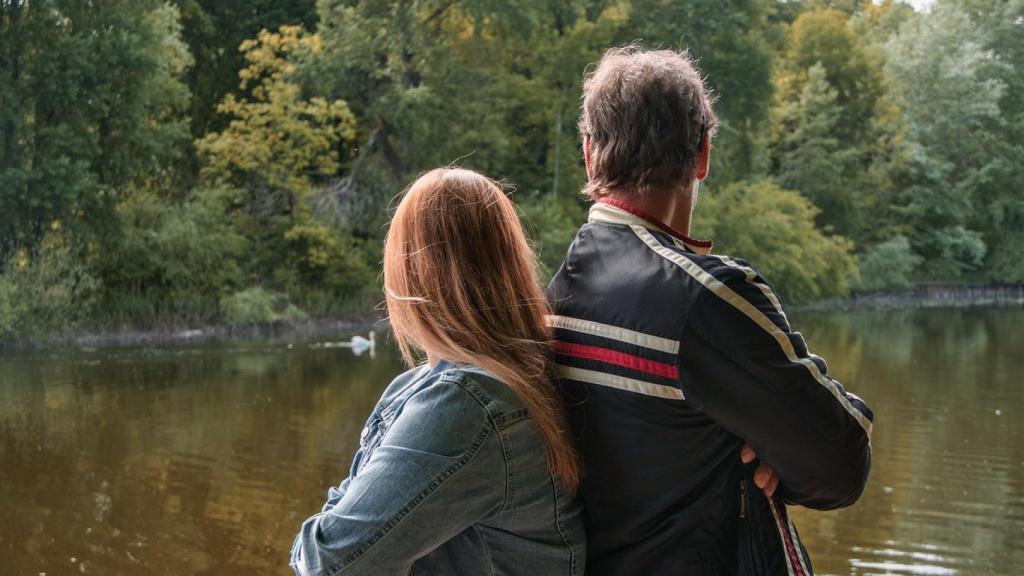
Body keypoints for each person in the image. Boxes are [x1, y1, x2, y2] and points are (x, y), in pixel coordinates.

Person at [547, 46, 874, 575]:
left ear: (588, 153)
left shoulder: (548, 300)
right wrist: (774, 452)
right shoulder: (709, 298)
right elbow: (842, 464)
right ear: (702, 153)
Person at [291, 168, 585, 575]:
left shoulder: (468, 404)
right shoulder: (502, 378)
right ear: (511, 263)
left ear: (410, 271)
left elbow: (330, 560)